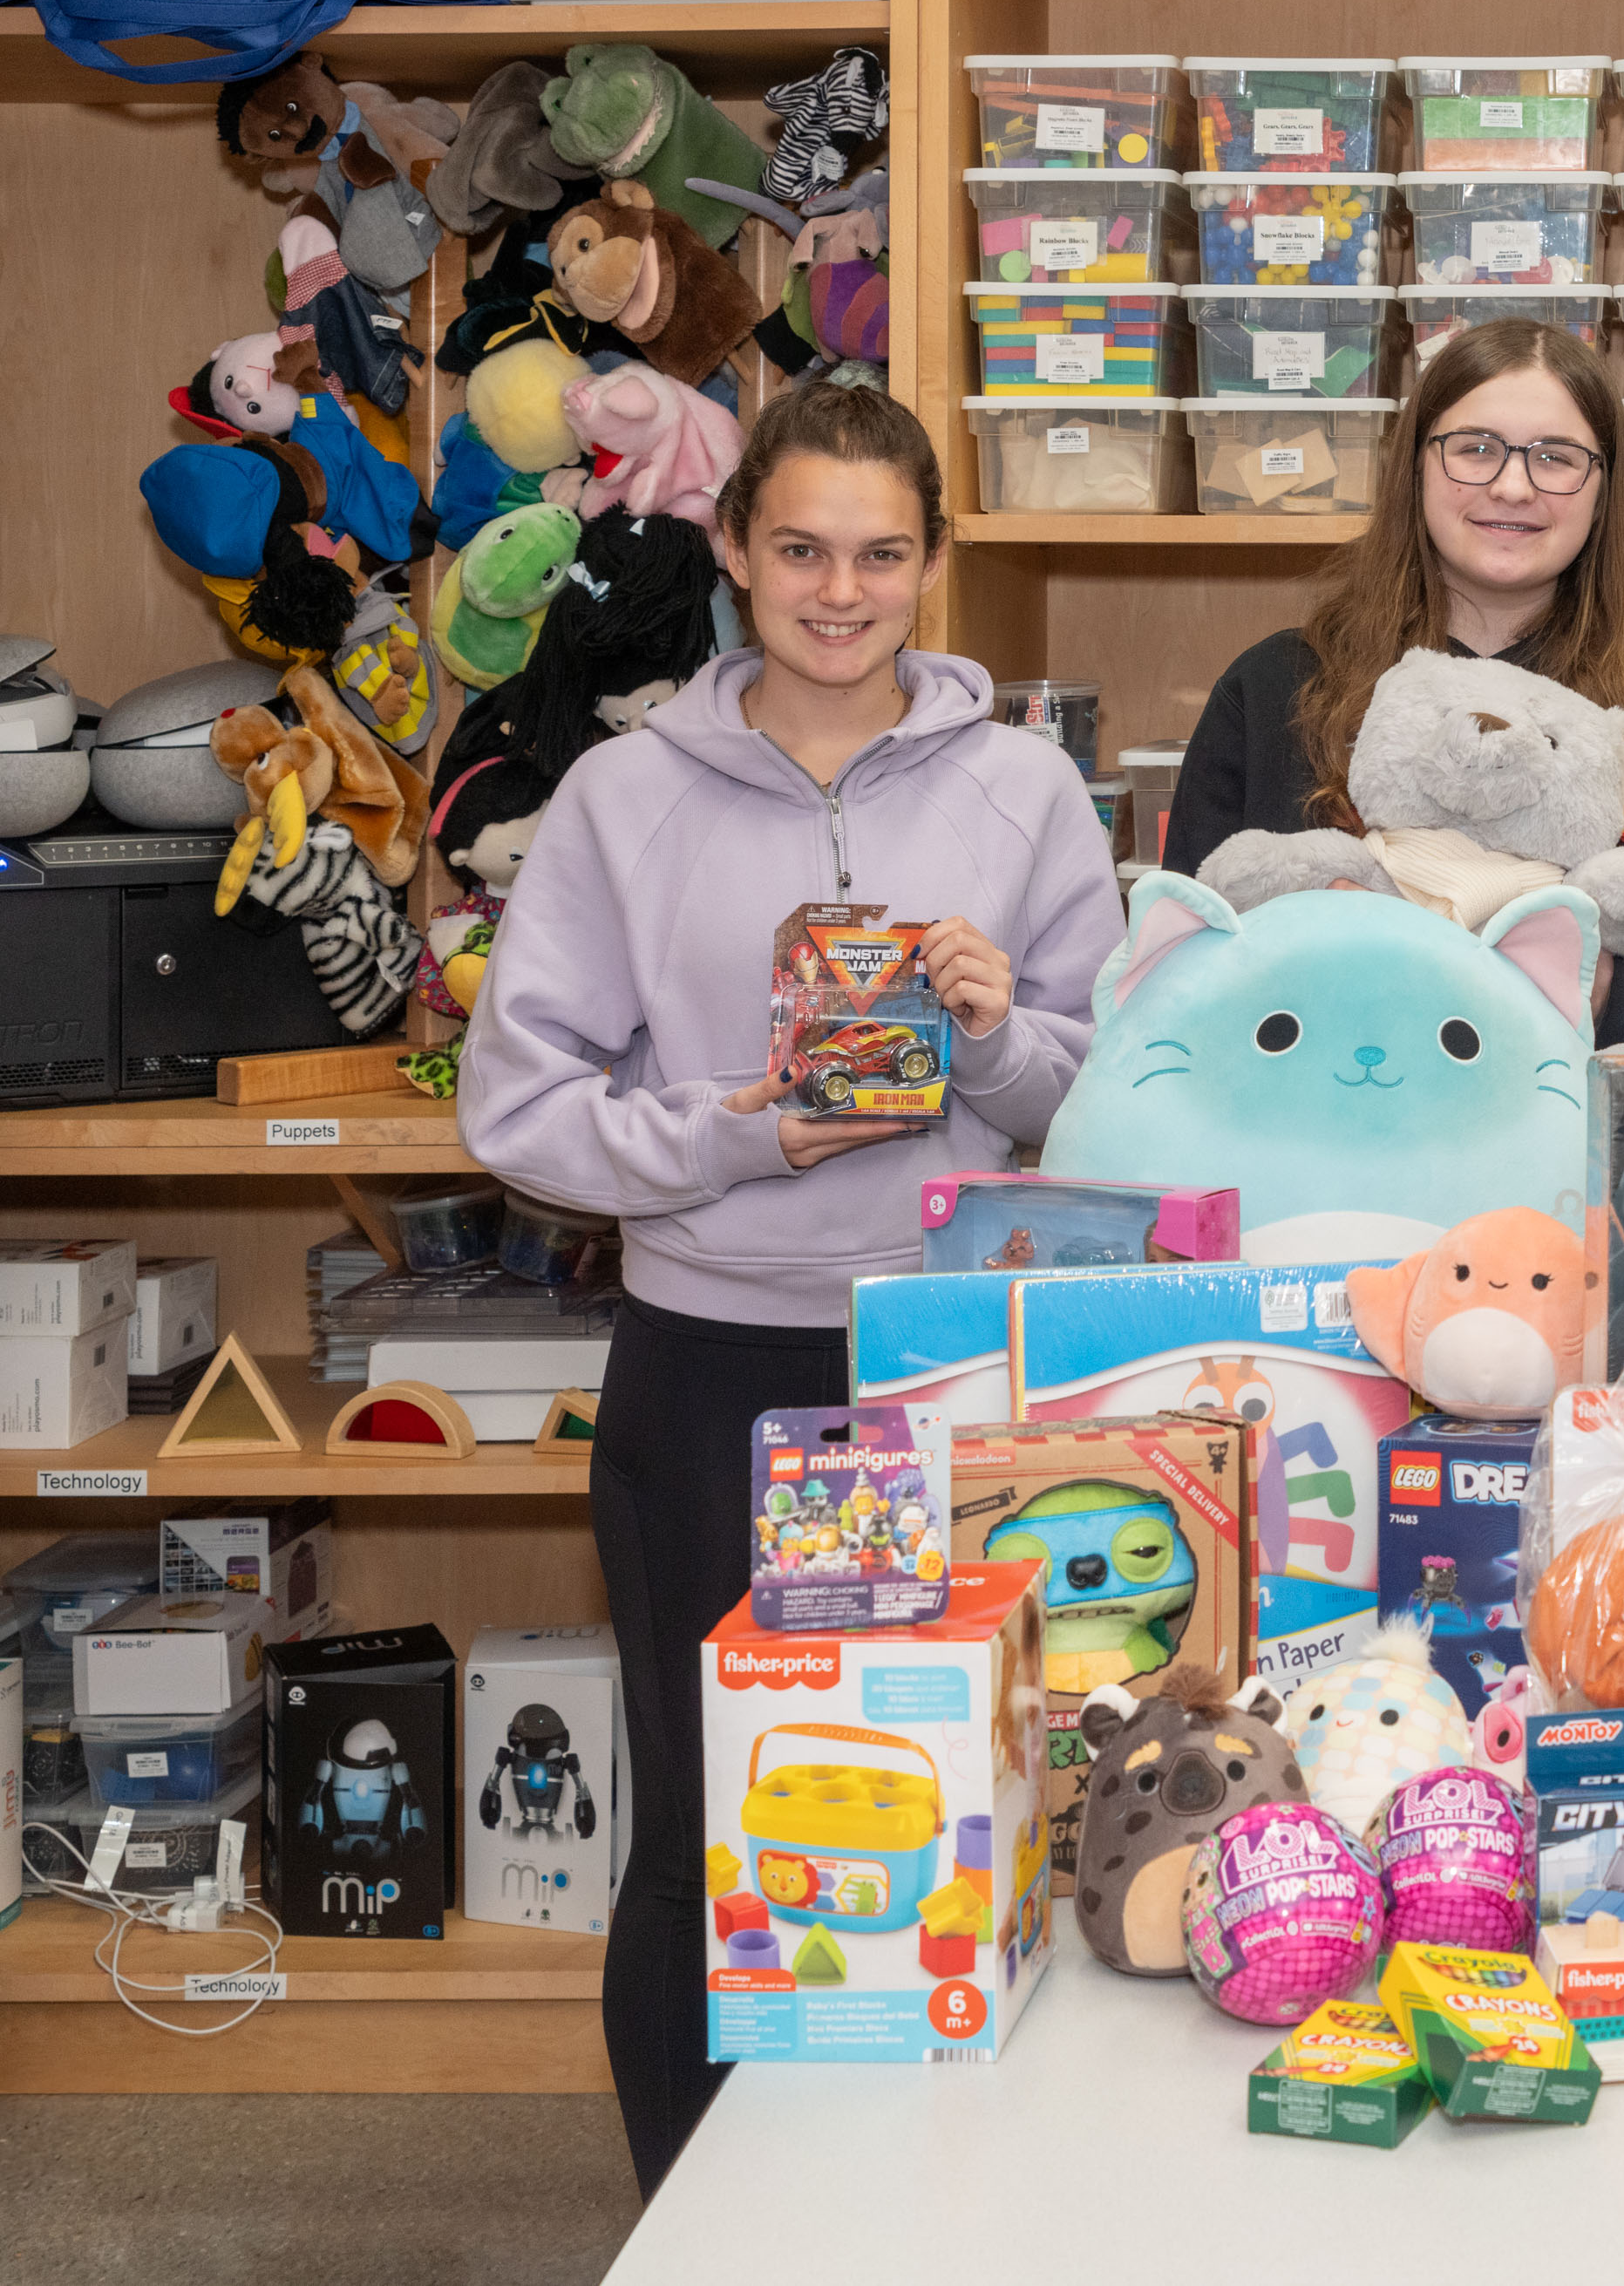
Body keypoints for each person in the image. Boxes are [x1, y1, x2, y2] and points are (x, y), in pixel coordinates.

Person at [459, 381, 1125, 2199]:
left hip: (965, 1366)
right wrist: (739, 1130)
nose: (842, 591)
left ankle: (948, 2207)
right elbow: (517, 1107)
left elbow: (1110, 1090)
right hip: (717, 1371)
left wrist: (998, 1038)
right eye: (803, 549)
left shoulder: (1022, 785)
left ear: (933, 563)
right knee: (706, 1826)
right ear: (734, 548)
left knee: (981, 1811)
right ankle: (692, 2211)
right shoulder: (620, 795)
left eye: (883, 553)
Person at [1159, 318, 1624, 1028]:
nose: (1513, 486)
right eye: (1476, 449)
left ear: (1603, 485)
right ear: (1416, 464)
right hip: (1326, 1119)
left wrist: (1604, 1004)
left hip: (1591, 1127)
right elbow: (1179, 974)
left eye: (1555, 457)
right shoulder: (1275, 689)